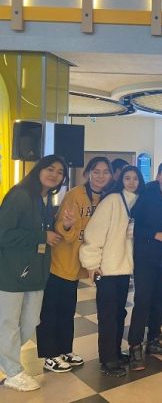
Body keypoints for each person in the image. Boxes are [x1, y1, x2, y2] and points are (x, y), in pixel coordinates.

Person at [37, 156, 113, 373]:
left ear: (110, 176)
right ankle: (50, 354)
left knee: (68, 309)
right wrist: (68, 225)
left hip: (78, 263)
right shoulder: (75, 195)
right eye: (96, 172)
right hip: (61, 261)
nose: (100, 176)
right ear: (87, 174)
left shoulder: (106, 198)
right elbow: (62, 229)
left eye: (105, 172)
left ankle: (64, 349)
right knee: (52, 309)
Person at [0, 155, 67, 392]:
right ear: (38, 170)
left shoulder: (44, 199)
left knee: (30, 322)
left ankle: (7, 359)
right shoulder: (20, 195)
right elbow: (4, 234)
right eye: (50, 169)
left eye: (60, 172)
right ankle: (12, 371)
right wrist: (41, 237)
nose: (54, 175)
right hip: (12, 272)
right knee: (8, 322)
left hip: (36, 272)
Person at [80, 165, 145, 377]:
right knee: (107, 315)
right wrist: (92, 264)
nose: (132, 182)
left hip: (123, 269)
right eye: (127, 178)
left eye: (135, 178)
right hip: (106, 269)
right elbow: (94, 233)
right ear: (120, 180)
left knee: (119, 313)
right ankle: (107, 360)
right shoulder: (112, 200)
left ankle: (115, 352)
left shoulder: (139, 202)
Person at [128, 160, 162, 371]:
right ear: (159, 175)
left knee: (160, 301)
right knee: (142, 301)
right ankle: (135, 346)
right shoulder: (146, 196)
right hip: (146, 258)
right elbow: (132, 227)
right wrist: (155, 235)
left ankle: (152, 340)